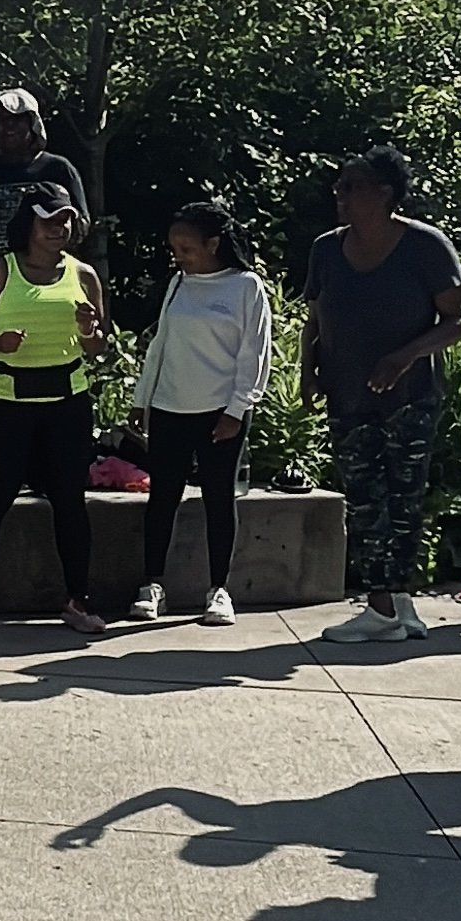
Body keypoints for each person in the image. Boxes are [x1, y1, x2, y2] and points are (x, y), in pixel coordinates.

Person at [304, 151, 461, 646]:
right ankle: (389, 607)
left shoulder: (425, 247)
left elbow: (458, 319)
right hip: (347, 394)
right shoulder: (326, 250)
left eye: (353, 186)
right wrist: (308, 369)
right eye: (339, 187)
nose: (341, 195)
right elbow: (315, 317)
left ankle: (390, 605)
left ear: (386, 193)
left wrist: (404, 357)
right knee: (363, 500)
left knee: (404, 500)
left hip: (411, 397)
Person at [0, 188, 109, 637]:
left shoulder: (84, 275)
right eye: (47, 221)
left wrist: (88, 330)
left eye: (65, 221)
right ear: (28, 225)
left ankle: (78, 600)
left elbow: (99, 344)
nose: (57, 229)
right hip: (6, 402)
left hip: (66, 401)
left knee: (70, 502)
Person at [129, 199, 274, 628]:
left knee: (217, 497)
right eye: (174, 247)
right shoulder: (178, 284)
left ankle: (219, 589)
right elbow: (161, 344)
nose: (179, 255)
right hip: (170, 406)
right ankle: (152, 584)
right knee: (163, 498)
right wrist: (142, 398)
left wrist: (237, 409)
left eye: (187, 247)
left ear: (213, 244)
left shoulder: (246, 287)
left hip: (220, 411)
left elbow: (254, 354)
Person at [0, 91, 89, 272]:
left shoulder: (58, 169)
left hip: (45, 275)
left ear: (32, 124)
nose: (9, 127)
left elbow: (81, 225)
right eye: (3, 120)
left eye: (17, 119)